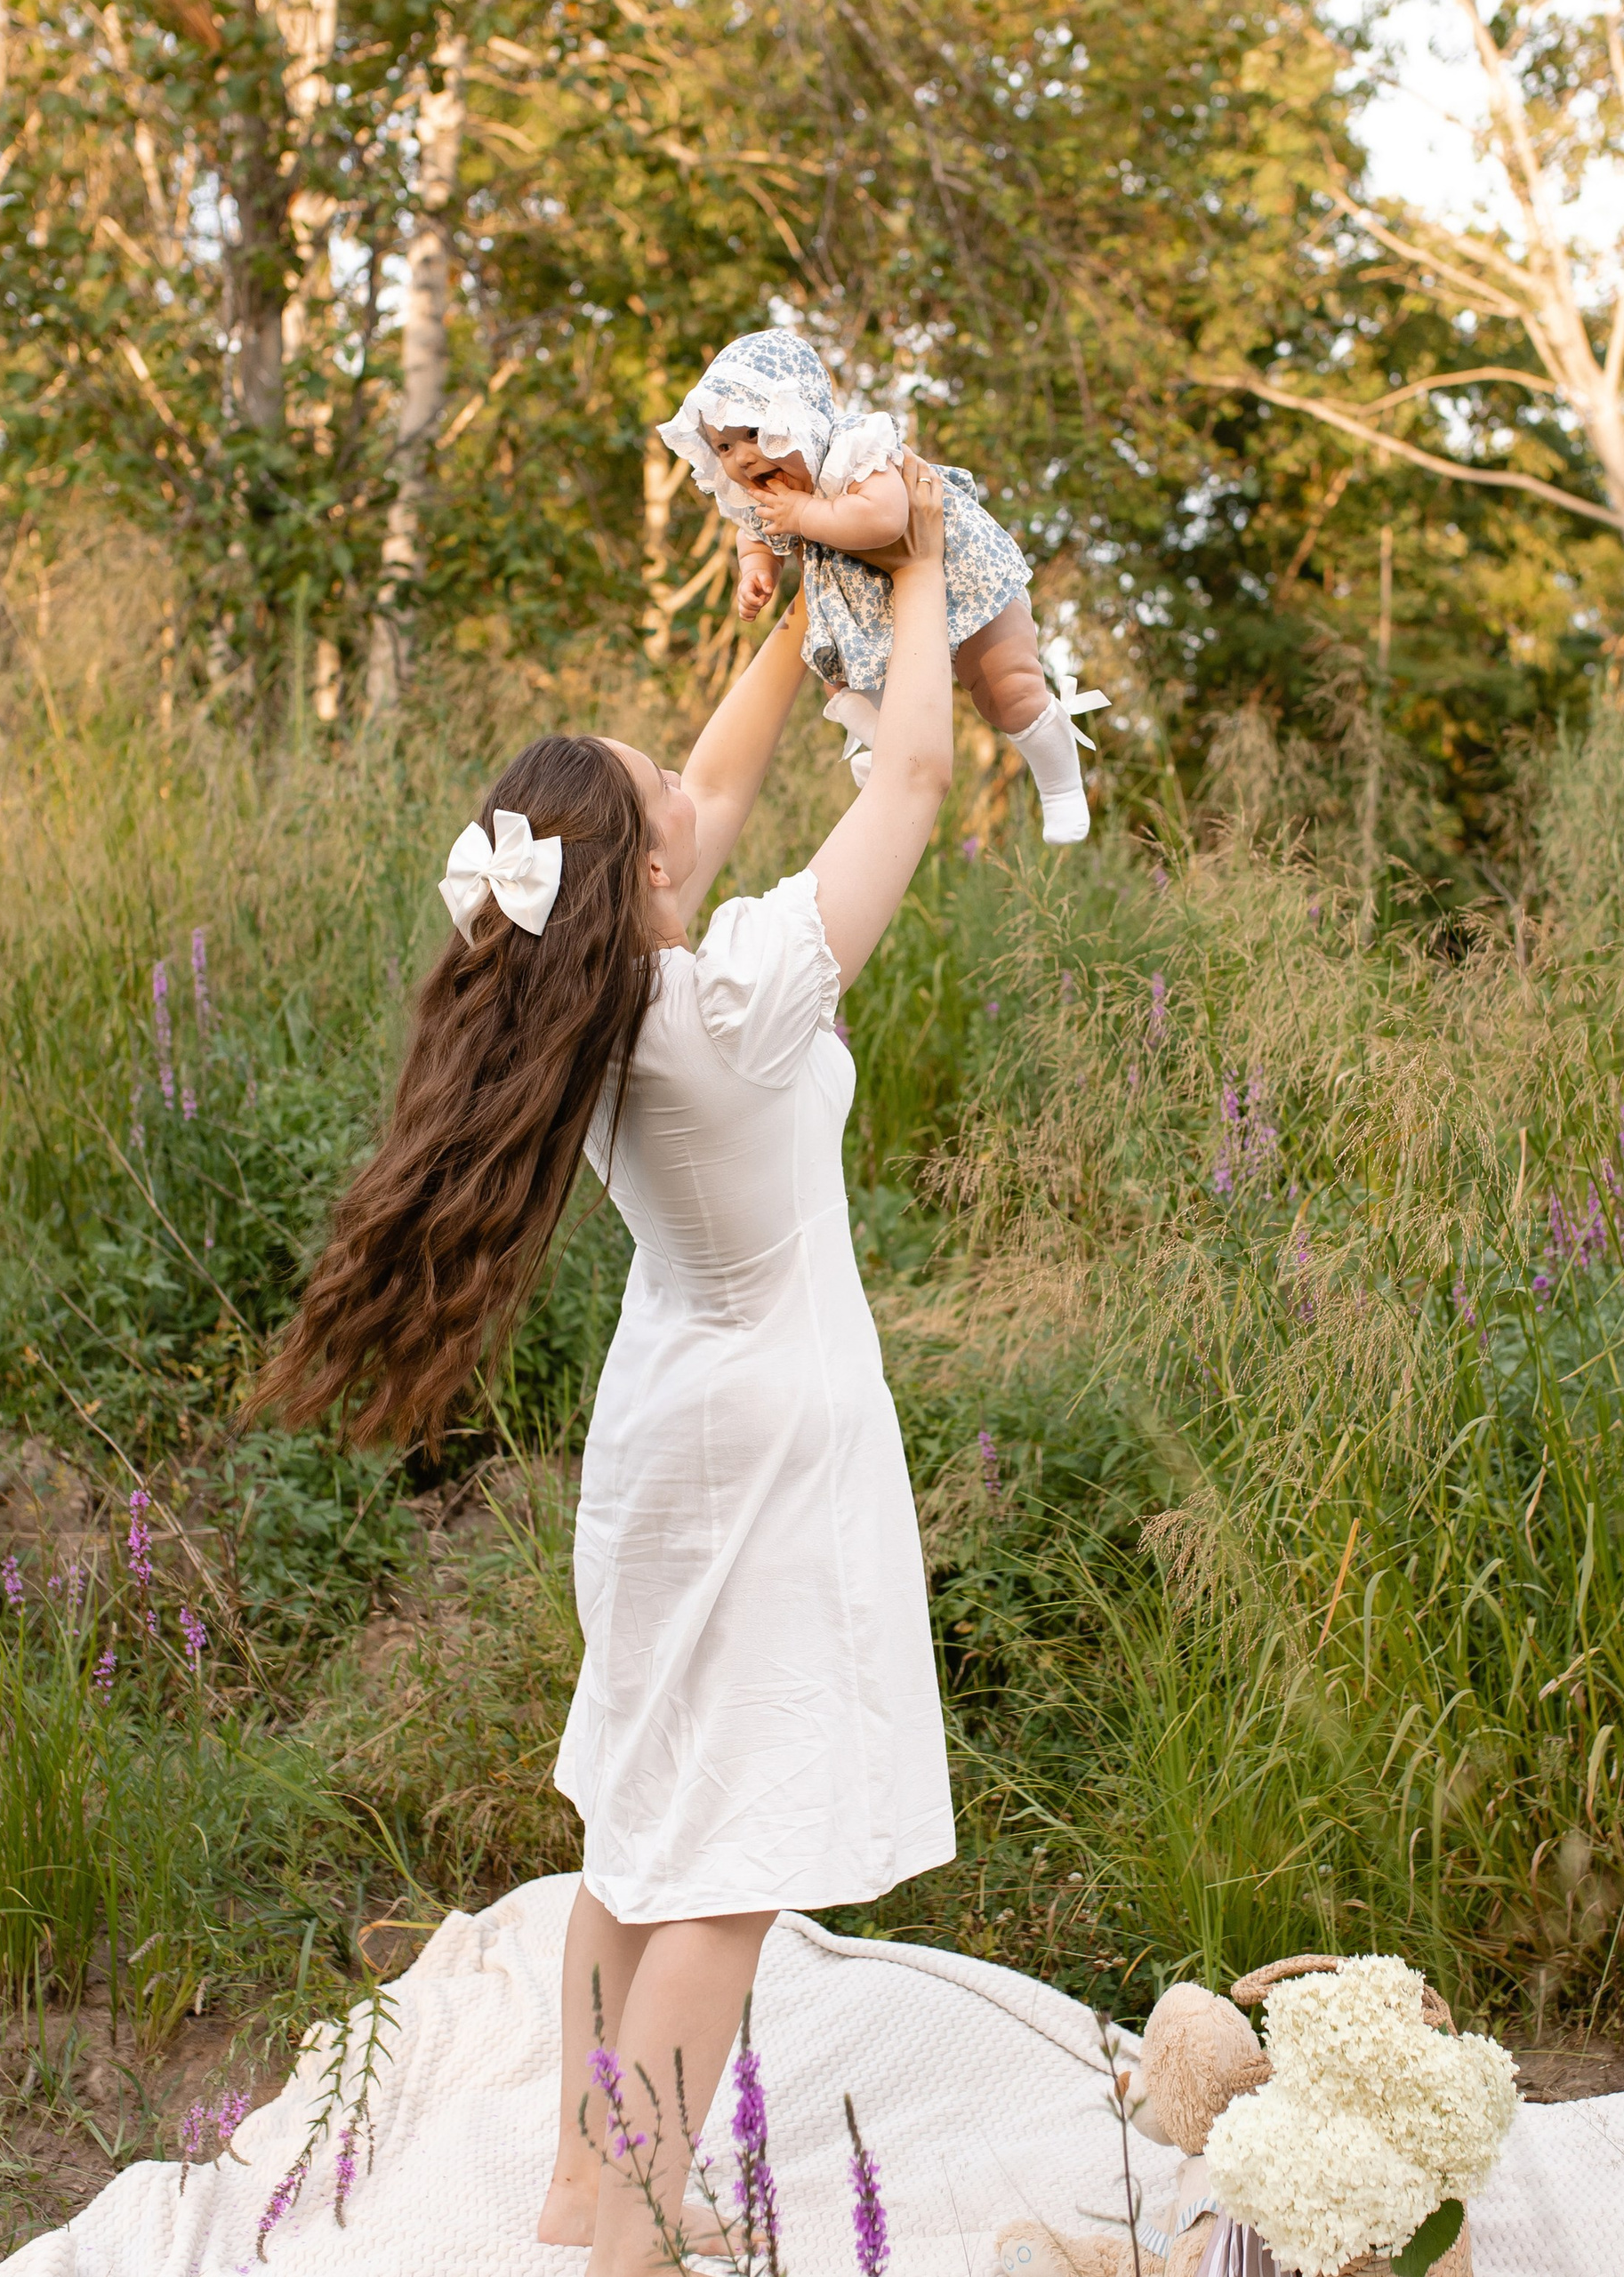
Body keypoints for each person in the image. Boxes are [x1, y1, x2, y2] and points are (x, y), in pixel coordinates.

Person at [254, 459, 961, 2277]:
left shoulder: (588, 992)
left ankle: (585, 2173)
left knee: (641, 1814)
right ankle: (638, 2217)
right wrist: (927, 561)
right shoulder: (722, 1002)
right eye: (665, 807)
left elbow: (716, 782)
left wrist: (813, 601)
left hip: (667, 1421)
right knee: (728, 1852)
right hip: (764, 1429)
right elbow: (914, 777)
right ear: (641, 870)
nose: (693, 799)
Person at [658, 327, 1106, 844]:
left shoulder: (852, 449)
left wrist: (806, 513)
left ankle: (1059, 782)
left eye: (756, 434)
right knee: (840, 681)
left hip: (963, 580)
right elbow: (754, 534)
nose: (742, 457)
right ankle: (884, 747)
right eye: (724, 446)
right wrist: (757, 568)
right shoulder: (766, 495)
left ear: (800, 419)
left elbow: (888, 521)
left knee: (1007, 690)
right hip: (876, 614)